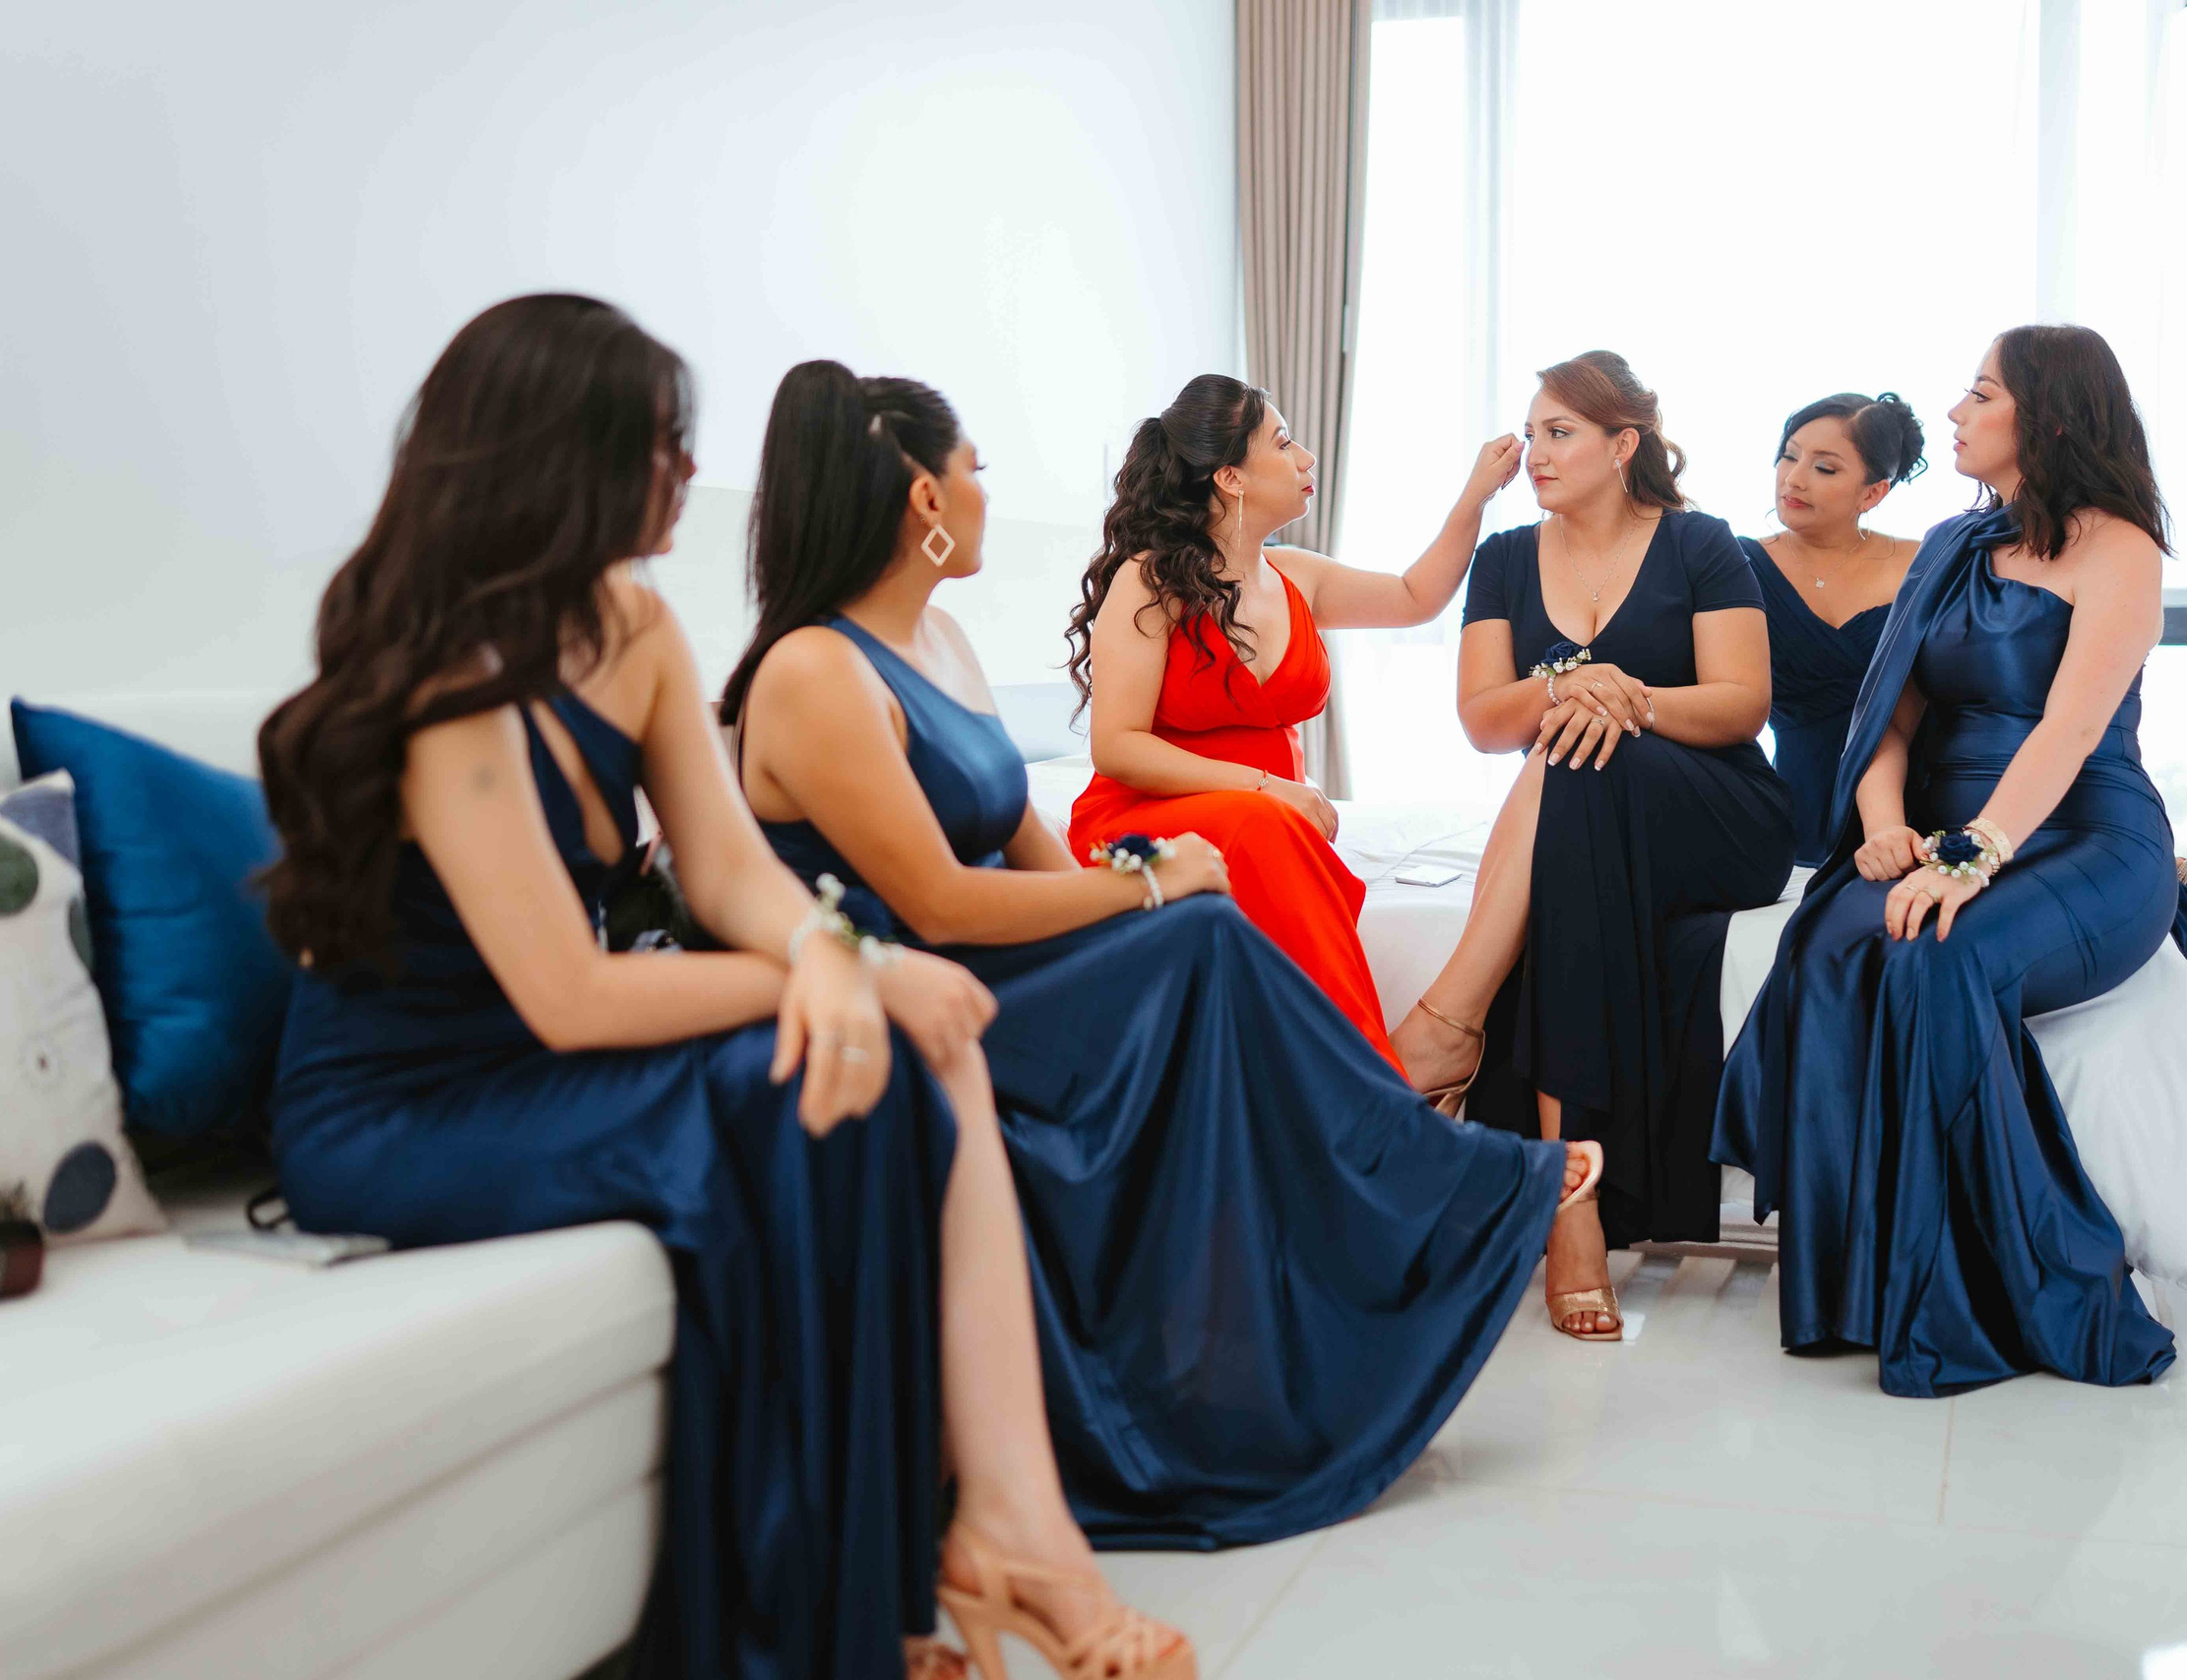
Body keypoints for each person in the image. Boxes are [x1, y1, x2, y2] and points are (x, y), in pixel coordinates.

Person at [256, 297, 1186, 1680]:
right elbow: (566, 993)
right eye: (659, 446)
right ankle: (848, 1601)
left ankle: (979, 1539)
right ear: (554, 457)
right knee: (839, 1065)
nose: (690, 474)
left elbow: (735, 874)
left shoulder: (632, 625)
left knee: (890, 1057)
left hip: (536, 1061)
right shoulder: (446, 675)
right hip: (406, 1105)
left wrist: (833, 954)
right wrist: (835, 977)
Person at [722, 360, 1599, 1548]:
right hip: (931, 975)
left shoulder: (941, 643)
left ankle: (1391, 1183)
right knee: (1203, 920)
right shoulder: (816, 671)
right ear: (922, 501)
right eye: (974, 468)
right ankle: (1416, 1168)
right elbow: (937, 899)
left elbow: (1025, 850)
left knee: (1203, 929)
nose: (988, 487)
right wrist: (1148, 874)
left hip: (1008, 942)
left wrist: (1141, 896)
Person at [1712, 325, 2187, 1400]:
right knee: (1831, 945)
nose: (1957, 413)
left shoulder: (2121, 549)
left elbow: (2068, 735)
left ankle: (2002, 1286)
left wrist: (1969, 860)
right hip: (1940, 829)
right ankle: (1850, 1291)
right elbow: (1884, 716)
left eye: (1980, 396)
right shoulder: (1948, 545)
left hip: (2085, 836)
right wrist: (1883, 827)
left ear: (2050, 418)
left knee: (1936, 955)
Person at [1392, 350, 1796, 1343]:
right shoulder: (1501, 560)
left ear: (1624, 446)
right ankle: (1570, 1200)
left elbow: (1744, 705)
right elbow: (1487, 720)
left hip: (1717, 810)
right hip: (1584, 807)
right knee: (1571, 768)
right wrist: (1566, 689)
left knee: (1577, 758)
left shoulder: (1702, 544)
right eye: (1529, 432)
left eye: (1559, 432)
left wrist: (1630, 696)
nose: (1534, 451)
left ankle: (1452, 1018)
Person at [1745, 390, 2187, 1021]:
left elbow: (2060, 719)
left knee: (2022, 832)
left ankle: (2161, 891)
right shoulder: (1753, 562)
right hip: (1845, 785)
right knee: (1840, 943)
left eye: (1824, 466)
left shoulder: (1934, 557)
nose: (1794, 479)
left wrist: (1970, 853)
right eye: (1787, 457)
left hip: (1948, 784)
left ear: (1873, 491)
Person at [1062, 375, 1527, 1073]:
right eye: (1283, 443)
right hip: (1150, 816)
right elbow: (1118, 747)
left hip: (1268, 825)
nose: (1307, 458)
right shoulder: (1150, 578)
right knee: (1273, 830)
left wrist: (1475, 495)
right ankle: (1378, 1086)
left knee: (1278, 834)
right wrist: (1267, 789)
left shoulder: (1295, 576)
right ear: (1230, 477)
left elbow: (1415, 596)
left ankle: (1359, 1089)